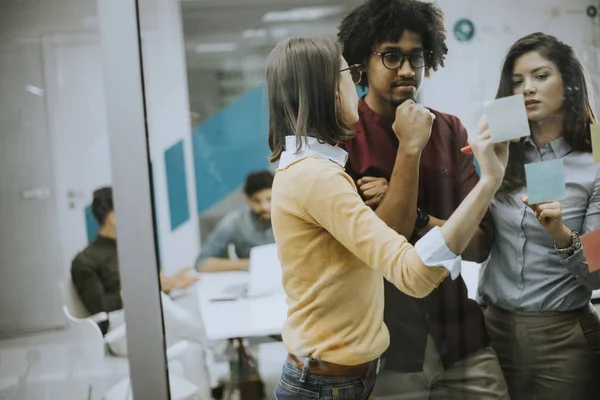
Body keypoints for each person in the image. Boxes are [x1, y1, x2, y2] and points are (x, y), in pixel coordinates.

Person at [266, 35, 510, 400]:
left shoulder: (313, 168)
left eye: (416, 57)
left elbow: (474, 242)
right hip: (331, 382)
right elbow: (412, 273)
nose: (356, 81)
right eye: (351, 74)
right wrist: (489, 180)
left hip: (342, 377)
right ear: (330, 89)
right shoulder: (317, 175)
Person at [337, 0, 509, 398]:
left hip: (462, 338)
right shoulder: (344, 140)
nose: (406, 70)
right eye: (391, 56)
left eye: (416, 57)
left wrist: (416, 216)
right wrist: (410, 151)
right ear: (363, 60)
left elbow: (480, 244)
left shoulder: (449, 130)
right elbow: (384, 243)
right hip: (388, 348)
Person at [477, 32, 600, 400]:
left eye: (540, 75)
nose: (527, 88)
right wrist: (484, 174)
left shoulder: (595, 158)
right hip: (490, 330)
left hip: (562, 339)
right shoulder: (501, 151)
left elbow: (596, 277)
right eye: (517, 81)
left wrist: (561, 233)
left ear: (570, 83)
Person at [70, 187, 211, 395]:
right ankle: (209, 336)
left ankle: (209, 340)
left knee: (191, 305)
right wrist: (149, 288)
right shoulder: (85, 261)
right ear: (113, 217)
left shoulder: (130, 248)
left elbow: (145, 289)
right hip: (122, 332)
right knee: (193, 336)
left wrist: (168, 283)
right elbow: (100, 307)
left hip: (144, 319)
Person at [195, 170, 274, 272]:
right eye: (256, 201)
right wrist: (255, 262)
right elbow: (201, 264)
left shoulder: (292, 218)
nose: (265, 207)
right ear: (248, 200)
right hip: (250, 277)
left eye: (269, 199)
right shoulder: (234, 222)